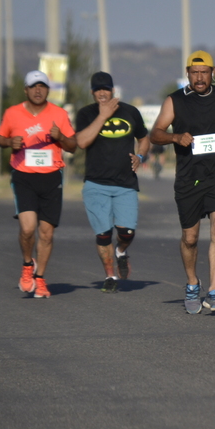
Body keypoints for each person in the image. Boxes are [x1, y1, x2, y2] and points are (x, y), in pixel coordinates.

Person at [150, 51, 215, 314]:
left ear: (213, 73)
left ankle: (214, 291)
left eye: (204, 72)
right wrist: (175, 137)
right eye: (194, 73)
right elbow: (155, 133)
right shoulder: (175, 100)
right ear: (188, 74)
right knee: (190, 238)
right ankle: (192, 283)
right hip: (189, 176)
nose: (199, 78)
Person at [0, 70, 77, 298]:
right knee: (28, 228)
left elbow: (73, 145)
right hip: (24, 176)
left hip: (51, 177)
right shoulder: (13, 113)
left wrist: (61, 137)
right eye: (33, 86)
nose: (38, 90)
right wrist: (9, 142)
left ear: (48, 90)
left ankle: (40, 278)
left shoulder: (59, 114)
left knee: (47, 233)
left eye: (42, 86)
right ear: (26, 90)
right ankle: (27, 264)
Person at [75, 72, 150, 293]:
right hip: (96, 184)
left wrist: (140, 156)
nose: (102, 93)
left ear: (112, 91)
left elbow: (144, 138)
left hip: (125, 183)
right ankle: (110, 276)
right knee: (103, 234)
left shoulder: (130, 112)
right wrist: (102, 116)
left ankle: (121, 252)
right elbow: (81, 142)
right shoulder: (86, 114)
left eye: (105, 89)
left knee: (127, 233)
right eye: (98, 89)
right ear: (92, 92)